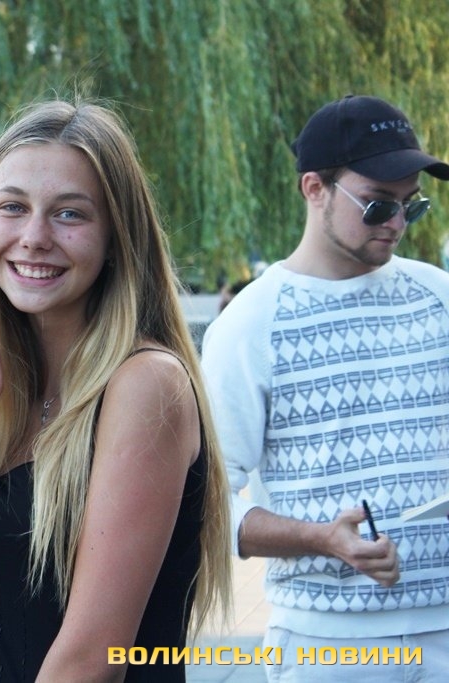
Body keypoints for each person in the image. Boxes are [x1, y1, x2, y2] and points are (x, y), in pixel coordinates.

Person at [0, 100, 232, 681]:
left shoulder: (145, 384)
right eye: (13, 207)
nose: (33, 237)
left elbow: (91, 660)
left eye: (69, 214)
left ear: (116, 237)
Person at [201, 94, 449, 681]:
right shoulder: (249, 325)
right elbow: (206, 503)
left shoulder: (440, 298)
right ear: (314, 188)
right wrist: (322, 538)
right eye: (377, 205)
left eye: (411, 206)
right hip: (329, 645)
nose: (396, 224)